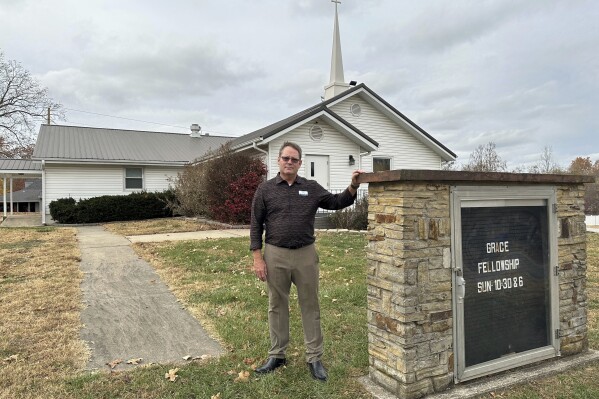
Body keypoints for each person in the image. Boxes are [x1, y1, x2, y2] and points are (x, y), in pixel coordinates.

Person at [250, 141, 364, 382]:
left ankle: (314, 357)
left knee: (310, 306)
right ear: (278, 161)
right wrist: (258, 257)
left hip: (305, 254)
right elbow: (255, 225)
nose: (289, 162)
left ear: (300, 163)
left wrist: (353, 186)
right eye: (285, 158)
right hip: (275, 253)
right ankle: (277, 355)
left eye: (294, 159)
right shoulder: (265, 190)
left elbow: (336, 202)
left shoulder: (311, 188)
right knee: (276, 304)